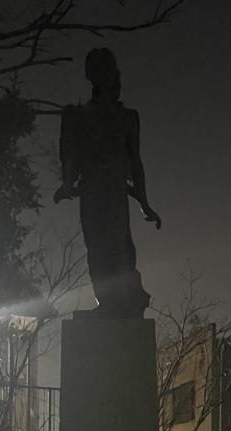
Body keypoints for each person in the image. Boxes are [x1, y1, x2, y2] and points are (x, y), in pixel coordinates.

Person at [53, 47, 161, 318]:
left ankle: (122, 304)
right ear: (91, 75)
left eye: (109, 70)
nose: (106, 76)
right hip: (93, 191)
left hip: (114, 191)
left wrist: (144, 202)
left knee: (119, 246)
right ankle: (109, 304)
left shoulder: (127, 117)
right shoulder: (77, 115)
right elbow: (70, 155)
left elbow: (135, 162)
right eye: (100, 70)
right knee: (98, 248)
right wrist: (68, 183)